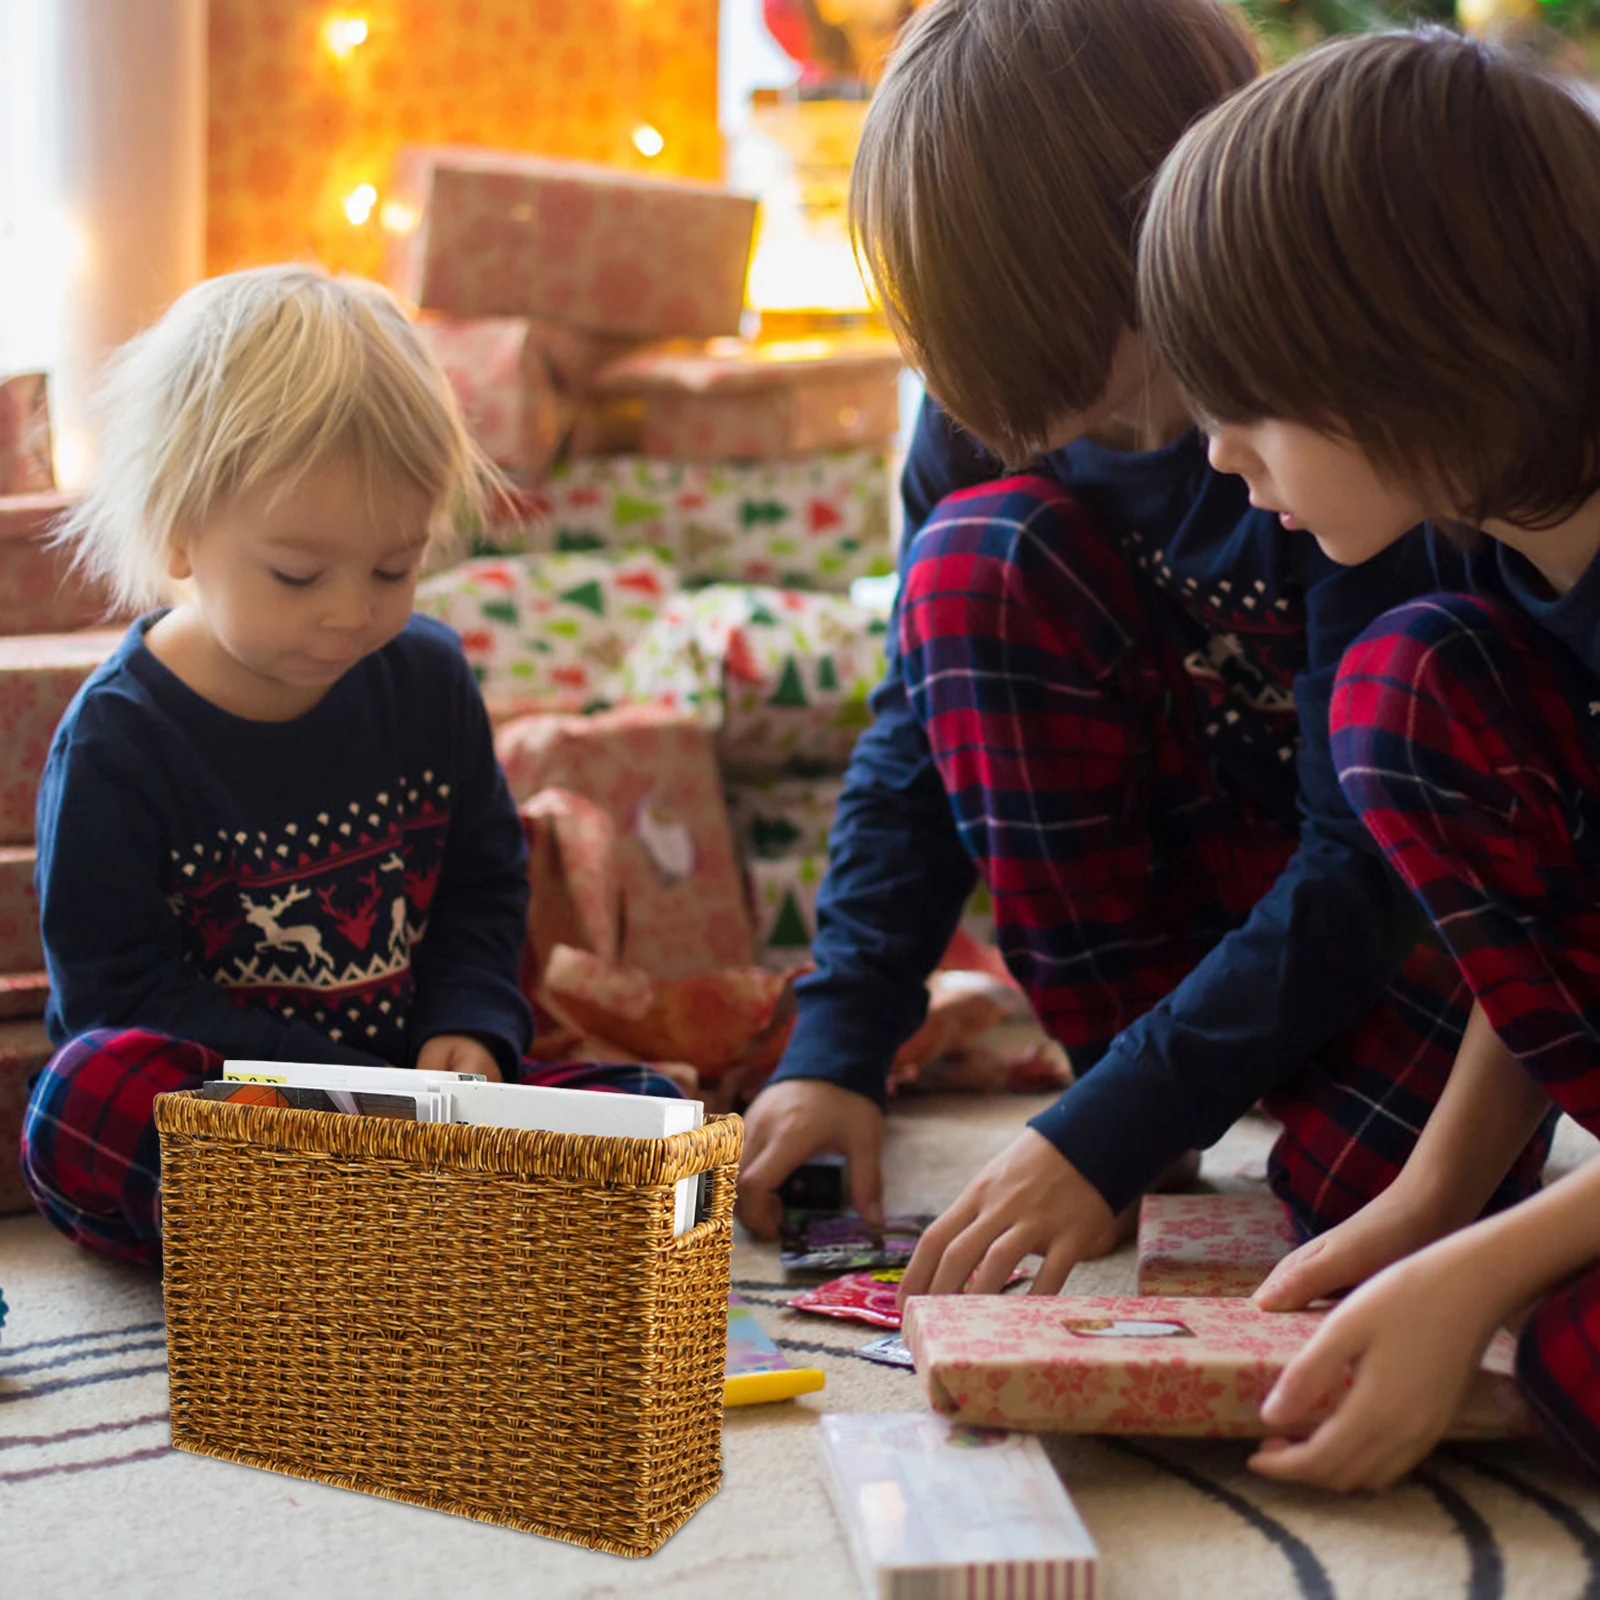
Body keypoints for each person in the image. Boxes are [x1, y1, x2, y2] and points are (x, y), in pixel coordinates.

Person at [737, 0, 1553, 1297]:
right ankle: (1134, 1097)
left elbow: (1367, 861)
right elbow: (916, 731)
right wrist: (838, 1042)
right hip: (1175, 906)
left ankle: (1146, 1107)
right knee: (968, 559)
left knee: (1366, 1214)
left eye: (1002, 317)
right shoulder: (988, 410)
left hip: (1377, 899)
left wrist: (1112, 1124)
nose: (973, 380)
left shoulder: (1351, 443)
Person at [1136, 26, 1600, 1489]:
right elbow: (1560, 929)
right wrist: (1438, 1200)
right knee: (1406, 683)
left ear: (1417, 365)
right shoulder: (1494, 570)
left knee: (1562, 1358)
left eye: (1250, 403)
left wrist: (1483, 1272)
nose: (1218, 454)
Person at [20, 264, 678, 1268]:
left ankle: (381, 1237)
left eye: (393, 568)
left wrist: (469, 1026)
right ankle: (410, 1233)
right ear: (179, 532)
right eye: (298, 575)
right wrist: (339, 1089)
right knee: (83, 1099)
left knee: (654, 1115)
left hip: (421, 1102)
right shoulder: (117, 740)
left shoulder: (428, 680)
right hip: (251, 1114)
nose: (351, 612)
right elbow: (116, 998)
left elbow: (484, 886)